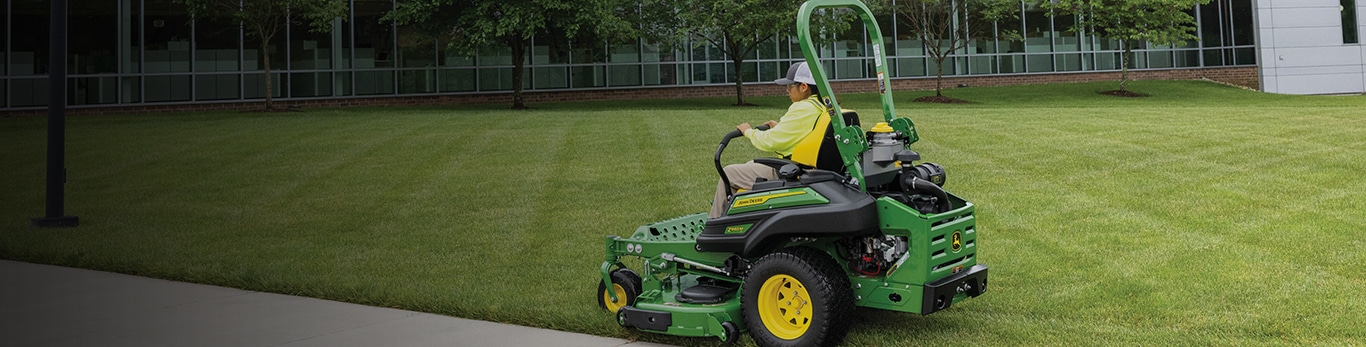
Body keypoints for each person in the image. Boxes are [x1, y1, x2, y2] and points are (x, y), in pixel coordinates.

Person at [710, 61, 829, 218]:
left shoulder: (802, 107)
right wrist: (779, 127)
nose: (787, 91)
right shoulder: (821, 106)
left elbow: (770, 141)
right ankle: (733, 216)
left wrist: (748, 132)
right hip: (810, 166)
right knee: (750, 165)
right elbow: (802, 133)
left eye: (789, 86)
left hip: (794, 170)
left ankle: (714, 224)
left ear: (804, 87)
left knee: (730, 173)